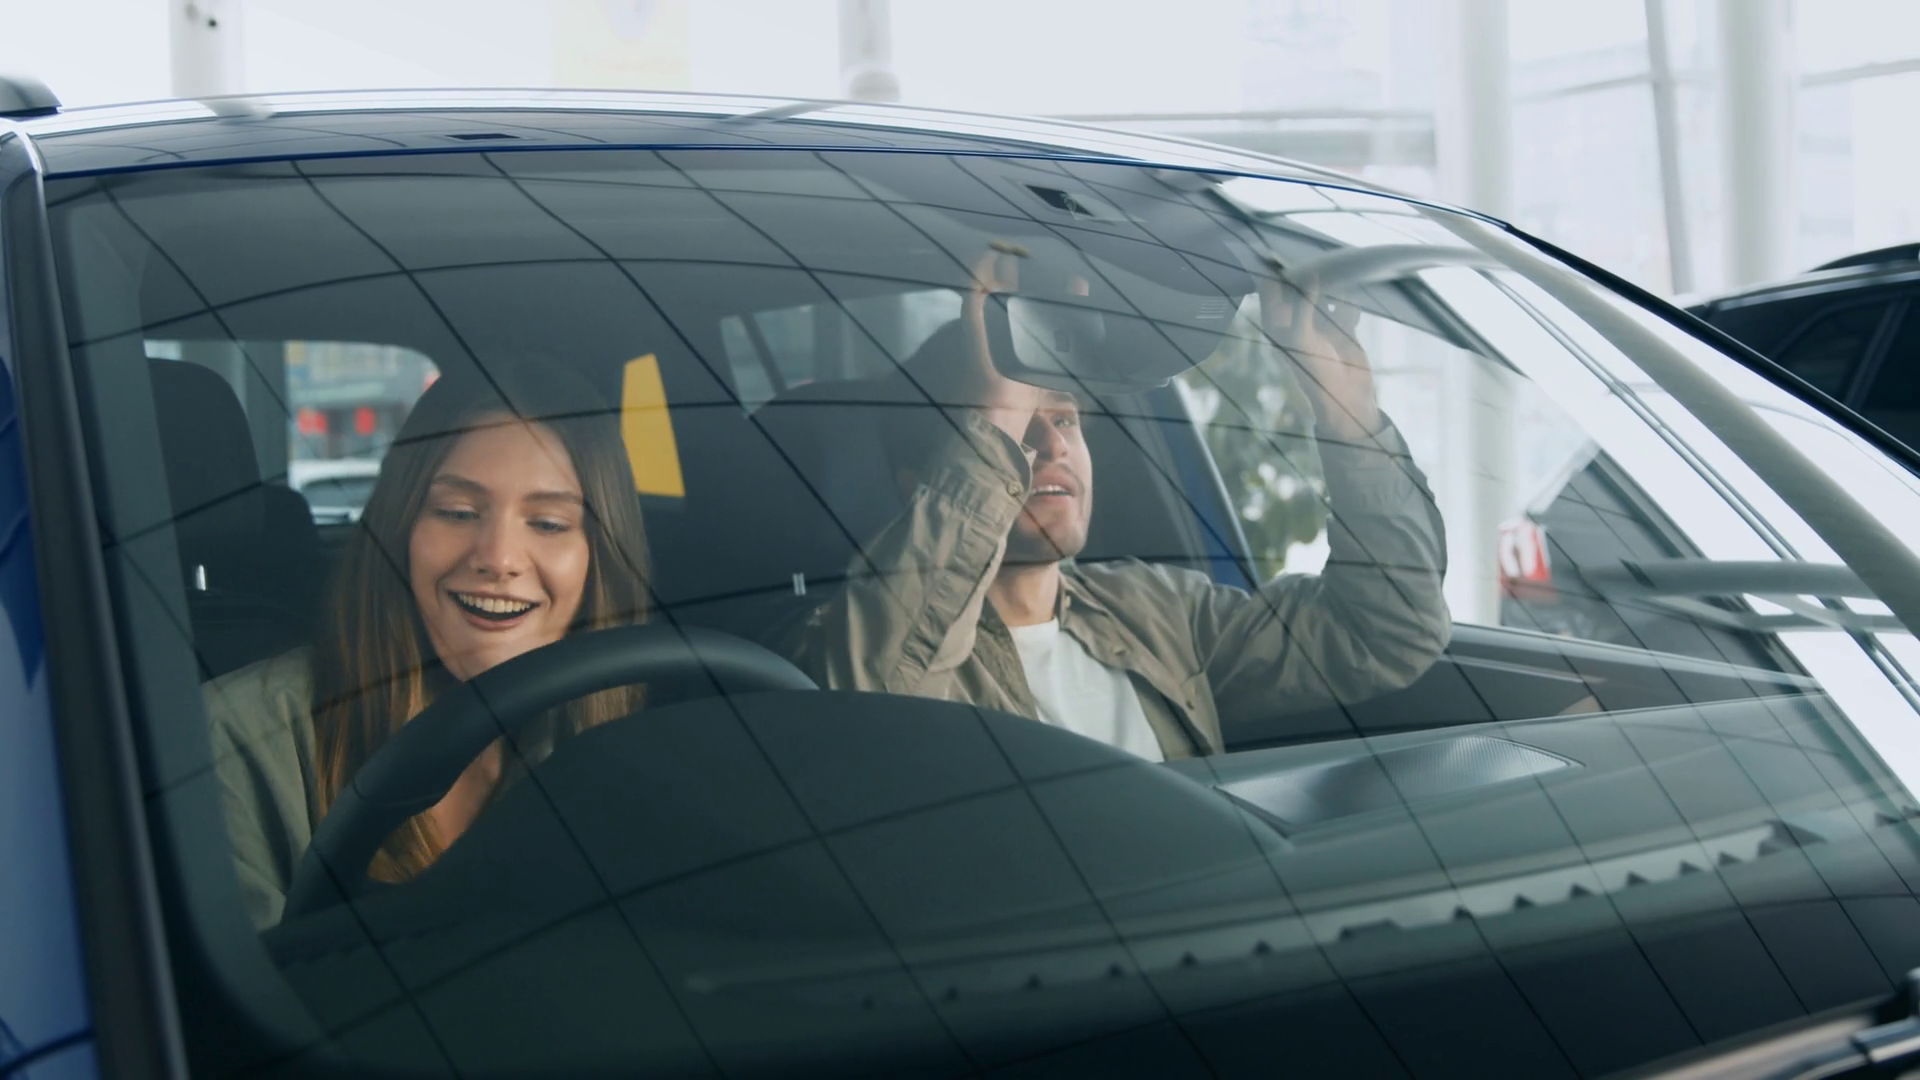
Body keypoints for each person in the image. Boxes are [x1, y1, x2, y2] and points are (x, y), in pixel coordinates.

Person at [792, 248, 1451, 760]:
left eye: (1065, 420)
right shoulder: (847, 643)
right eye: (1015, 423)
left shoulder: (1157, 612)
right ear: (919, 482)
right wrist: (996, 411)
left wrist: (1348, 420)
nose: (1052, 445)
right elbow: (869, 721)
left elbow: (1386, 634)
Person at [204, 366, 652, 928]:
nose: (498, 557)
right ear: (399, 529)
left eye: (547, 523)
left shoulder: (634, 740)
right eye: (458, 513)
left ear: (599, 558)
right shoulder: (235, 739)